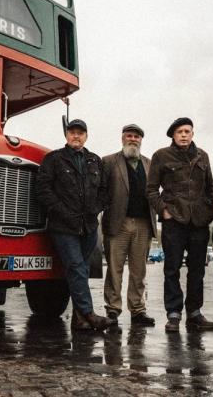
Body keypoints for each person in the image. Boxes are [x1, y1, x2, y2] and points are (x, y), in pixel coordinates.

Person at [35, 118, 113, 332]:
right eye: (72, 132)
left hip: (88, 226)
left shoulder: (94, 161)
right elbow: (43, 190)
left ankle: (79, 320)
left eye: (80, 133)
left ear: (86, 136)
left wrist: (95, 209)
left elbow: (105, 192)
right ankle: (89, 313)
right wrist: (62, 211)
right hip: (63, 226)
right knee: (77, 267)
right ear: (66, 135)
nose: (76, 136)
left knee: (80, 269)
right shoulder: (53, 159)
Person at [146, 117, 213, 332]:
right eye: (180, 132)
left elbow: (210, 188)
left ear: (192, 134)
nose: (184, 135)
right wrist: (164, 211)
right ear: (173, 136)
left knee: (197, 270)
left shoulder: (202, 156)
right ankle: (174, 314)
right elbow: (150, 190)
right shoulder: (161, 156)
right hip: (174, 221)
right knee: (172, 269)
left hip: (199, 222)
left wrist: (210, 213)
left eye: (187, 131)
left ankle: (194, 313)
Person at [101, 123, 158, 327]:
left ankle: (138, 310)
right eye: (129, 136)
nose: (133, 139)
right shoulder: (108, 162)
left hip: (143, 223)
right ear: (122, 138)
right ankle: (113, 309)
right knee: (114, 269)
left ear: (141, 140)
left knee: (139, 270)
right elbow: (101, 191)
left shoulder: (150, 163)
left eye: (137, 137)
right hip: (118, 222)